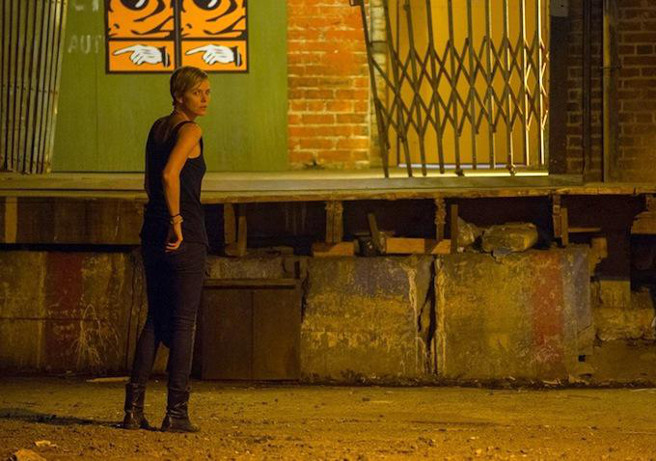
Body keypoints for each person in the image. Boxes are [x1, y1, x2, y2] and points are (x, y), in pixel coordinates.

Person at [122, 66, 210, 433]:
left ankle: (132, 410)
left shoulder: (158, 128)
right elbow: (168, 174)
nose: (205, 99)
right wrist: (176, 221)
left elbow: (148, 182)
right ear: (179, 96)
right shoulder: (190, 131)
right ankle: (176, 413)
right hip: (182, 233)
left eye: (207, 92)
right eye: (198, 92)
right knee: (184, 322)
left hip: (152, 231)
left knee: (156, 319)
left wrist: (162, 218)